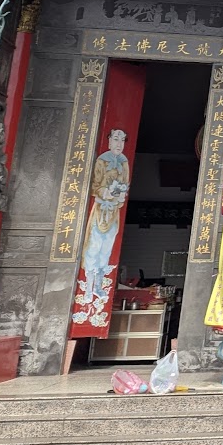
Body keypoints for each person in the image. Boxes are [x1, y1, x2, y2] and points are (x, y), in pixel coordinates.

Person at [73, 129, 131, 325]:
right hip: (100, 209)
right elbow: (94, 185)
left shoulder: (124, 162)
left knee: (106, 249)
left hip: (114, 211)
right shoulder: (102, 160)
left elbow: (125, 184)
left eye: (122, 140)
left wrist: (121, 193)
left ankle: (98, 286)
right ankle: (88, 287)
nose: (119, 143)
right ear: (109, 141)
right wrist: (106, 191)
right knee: (94, 247)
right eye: (116, 139)